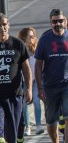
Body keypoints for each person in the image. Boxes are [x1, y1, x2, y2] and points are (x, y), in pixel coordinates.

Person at [35, 9, 68, 143]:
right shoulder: (44, 39)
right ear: (51, 23)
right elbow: (38, 64)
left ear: (65, 21)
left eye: (60, 21)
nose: (58, 23)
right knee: (50, 121)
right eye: (54, 21)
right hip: (50, 85)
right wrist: (40, 87)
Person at [0, 14, 33, 143]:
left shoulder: (18, 44)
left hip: (14, 95)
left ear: (8, 25)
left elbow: (26, 69)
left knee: (12, 131)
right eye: (0, 25)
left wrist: (29, 89)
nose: (2, 28)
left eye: (4, 24)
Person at [17, 27, 43, 136]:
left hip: (36, 80)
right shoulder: (20, 50)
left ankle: (38, 125)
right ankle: (27, 126)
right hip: (24, 81)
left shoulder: (36, 50)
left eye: (33, 36)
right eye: (30, 36)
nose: (33, 38)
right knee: (25, 104)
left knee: (37, 102)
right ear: (24, 38)